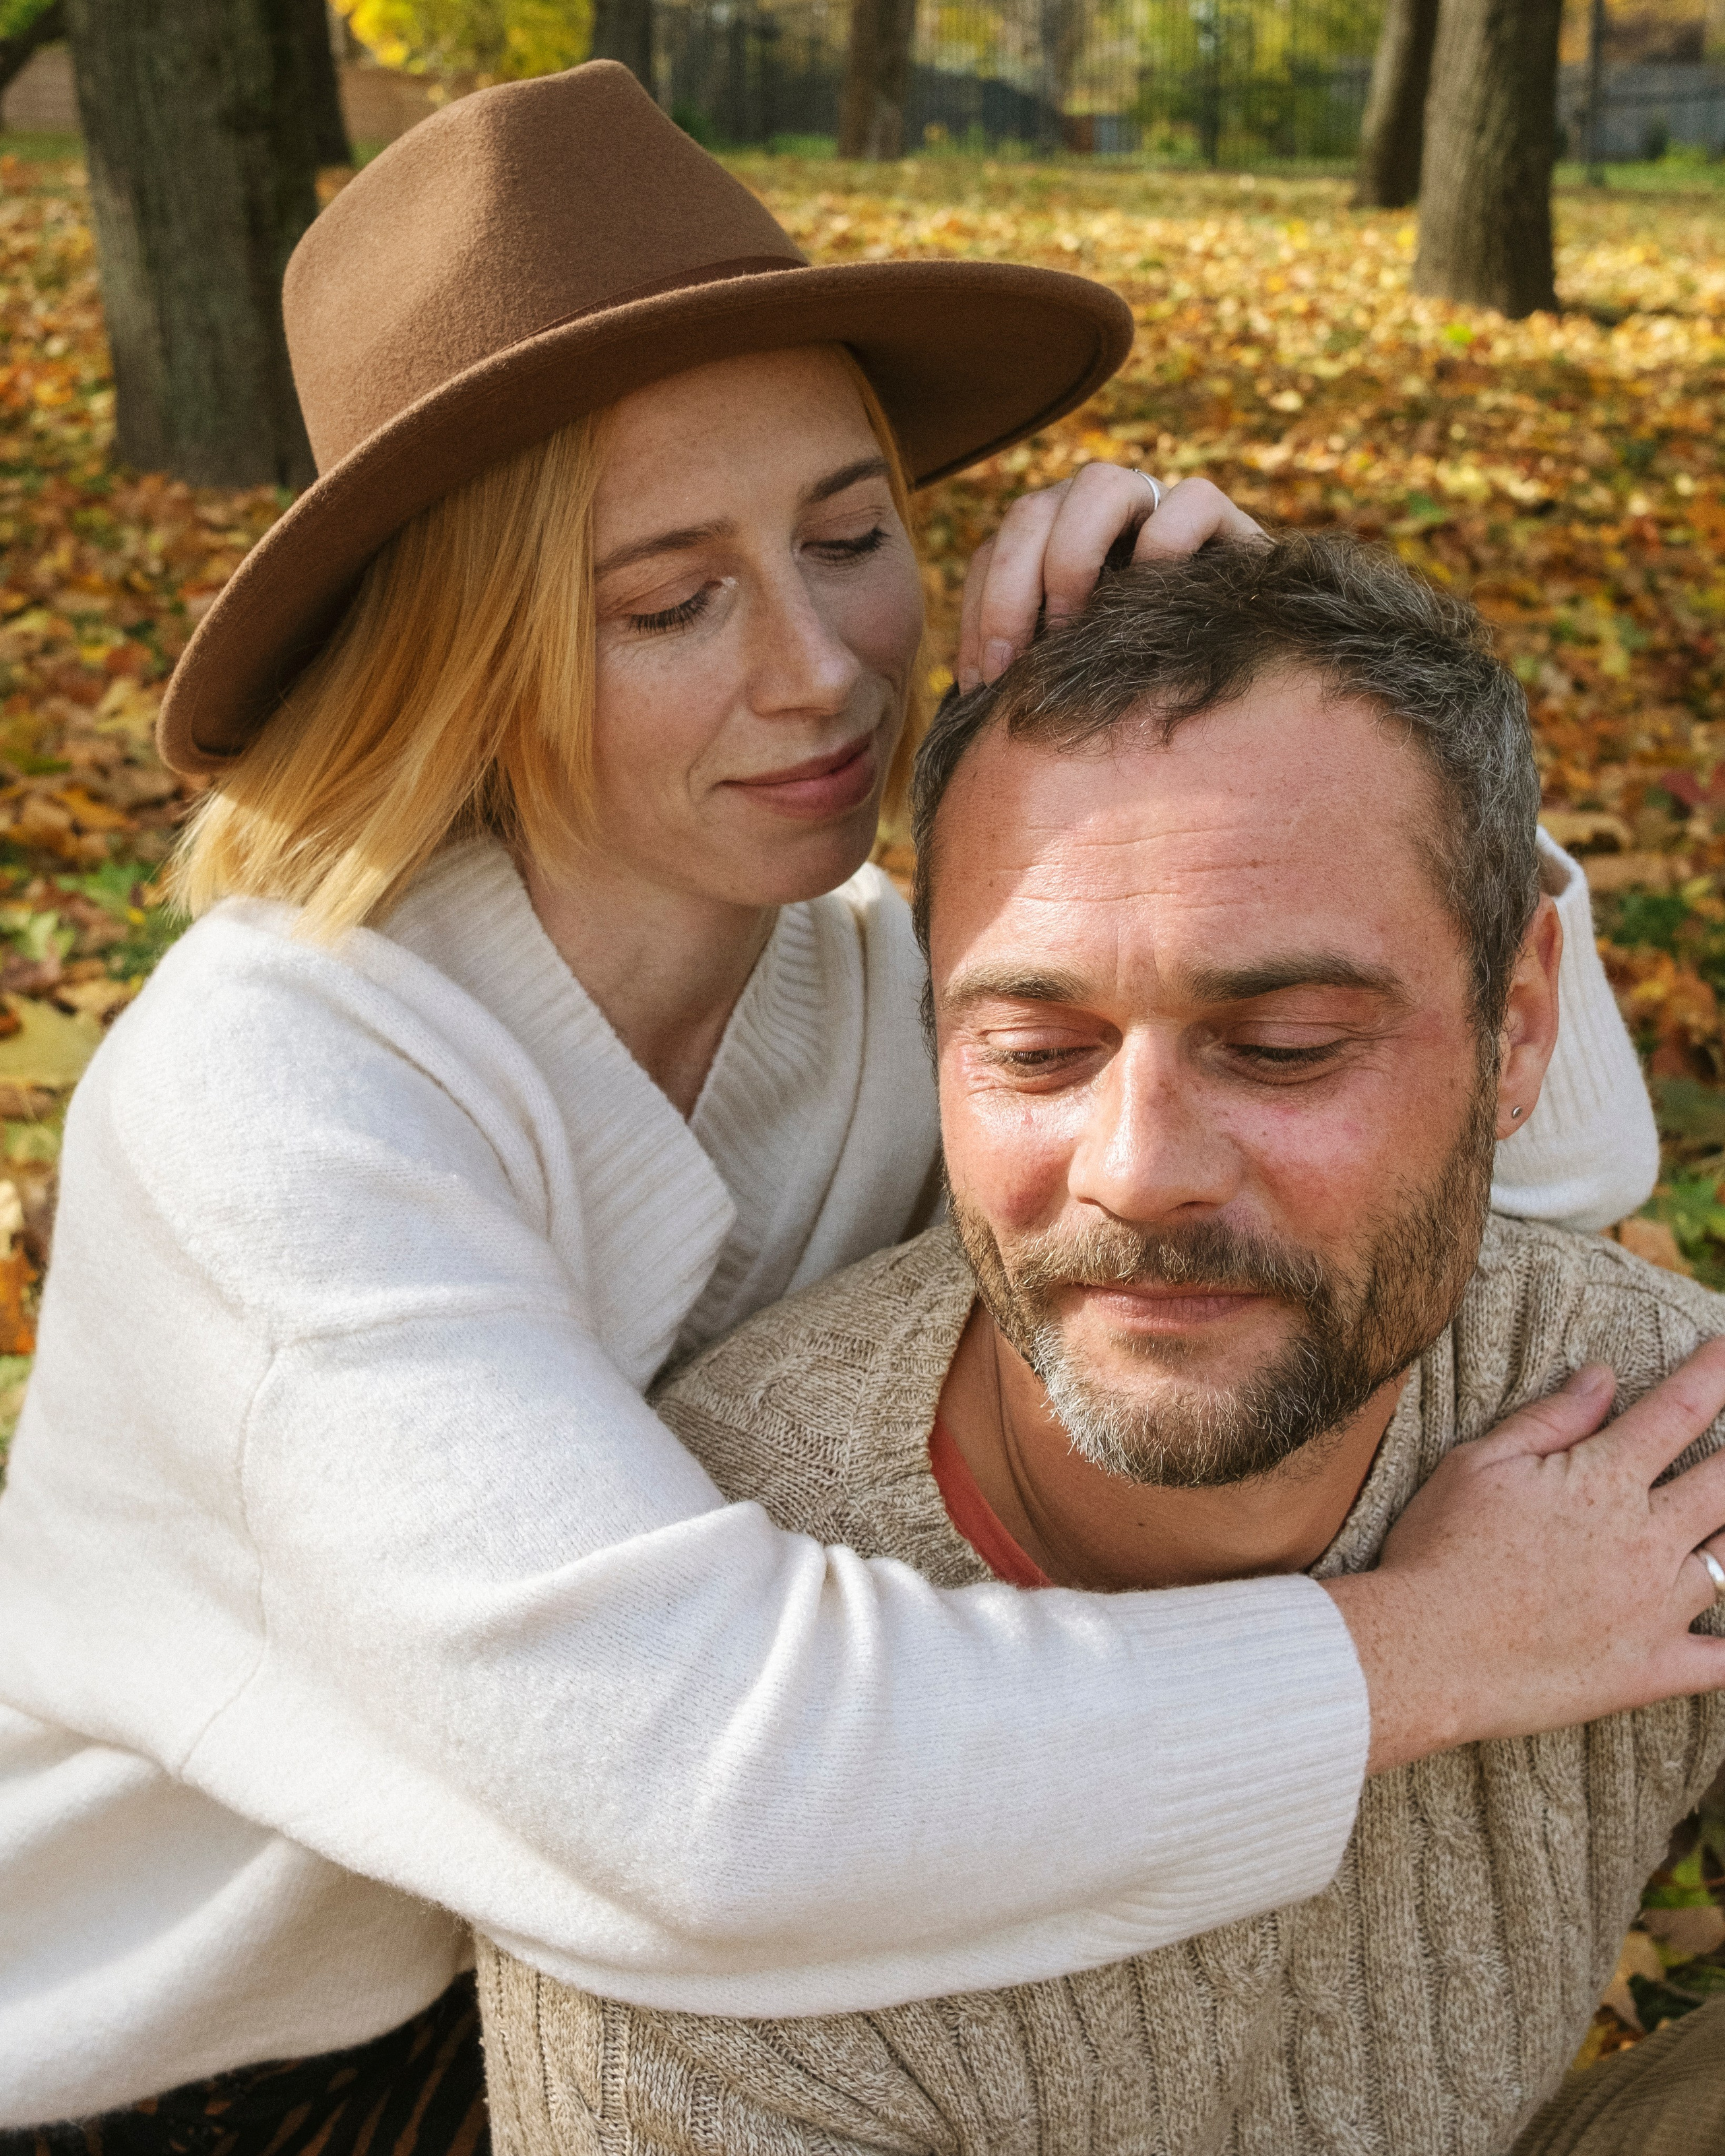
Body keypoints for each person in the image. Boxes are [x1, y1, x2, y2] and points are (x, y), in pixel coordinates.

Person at [0, 63, 1681, 2151]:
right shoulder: (278, 1095)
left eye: (850, 536)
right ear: (465, 658)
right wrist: (1439, 1645)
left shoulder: (874, 983)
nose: (821, 668)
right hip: (203, 2082)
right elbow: (698, 1788)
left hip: (656, 1980)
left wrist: (1315, 733)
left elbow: (1546, 1163)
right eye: (670, 602)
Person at [478, 536, 1725, 2156]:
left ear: (1517, 1027)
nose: (1136, 1171)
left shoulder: (1637, 1429)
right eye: (1033, 1049)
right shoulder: (707, 1677)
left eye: (1280, 1045)